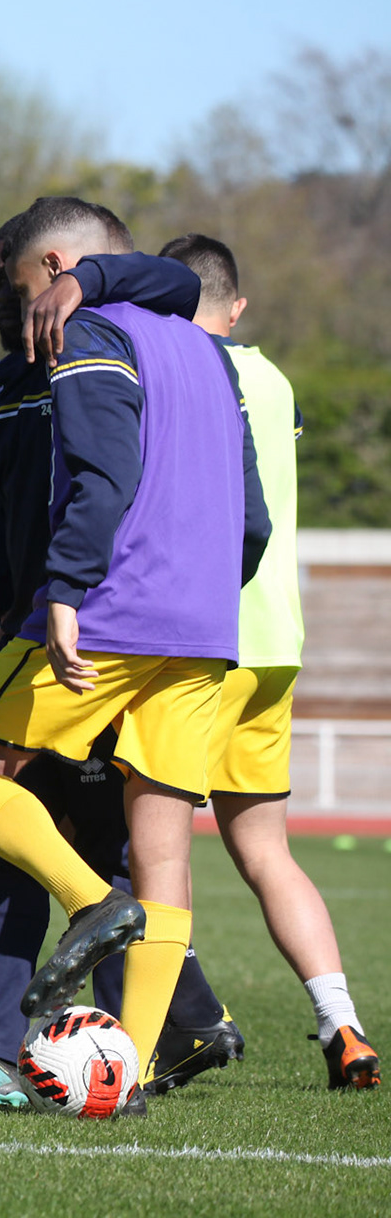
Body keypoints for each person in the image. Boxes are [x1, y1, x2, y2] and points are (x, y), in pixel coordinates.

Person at [0, 196, 268, 1103]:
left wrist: (69, 591)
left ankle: (89, 903)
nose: (17, 310)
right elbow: (253, 519)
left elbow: (104, 474)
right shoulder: (208, 351)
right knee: (163, 852)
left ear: (54, 274)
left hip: (107, 611)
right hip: (202, 630)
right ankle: (134, 1072)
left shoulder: (91, 333)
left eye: (19, 288)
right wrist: (204, 599)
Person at [160, 232, 379, 1092]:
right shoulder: (277, 378)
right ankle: (342, 1023)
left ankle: (184, 1019)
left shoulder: (176, 368)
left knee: (152, 844)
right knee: (267, 851)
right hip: (277, 644)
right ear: (238, 305)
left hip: (203, 641)